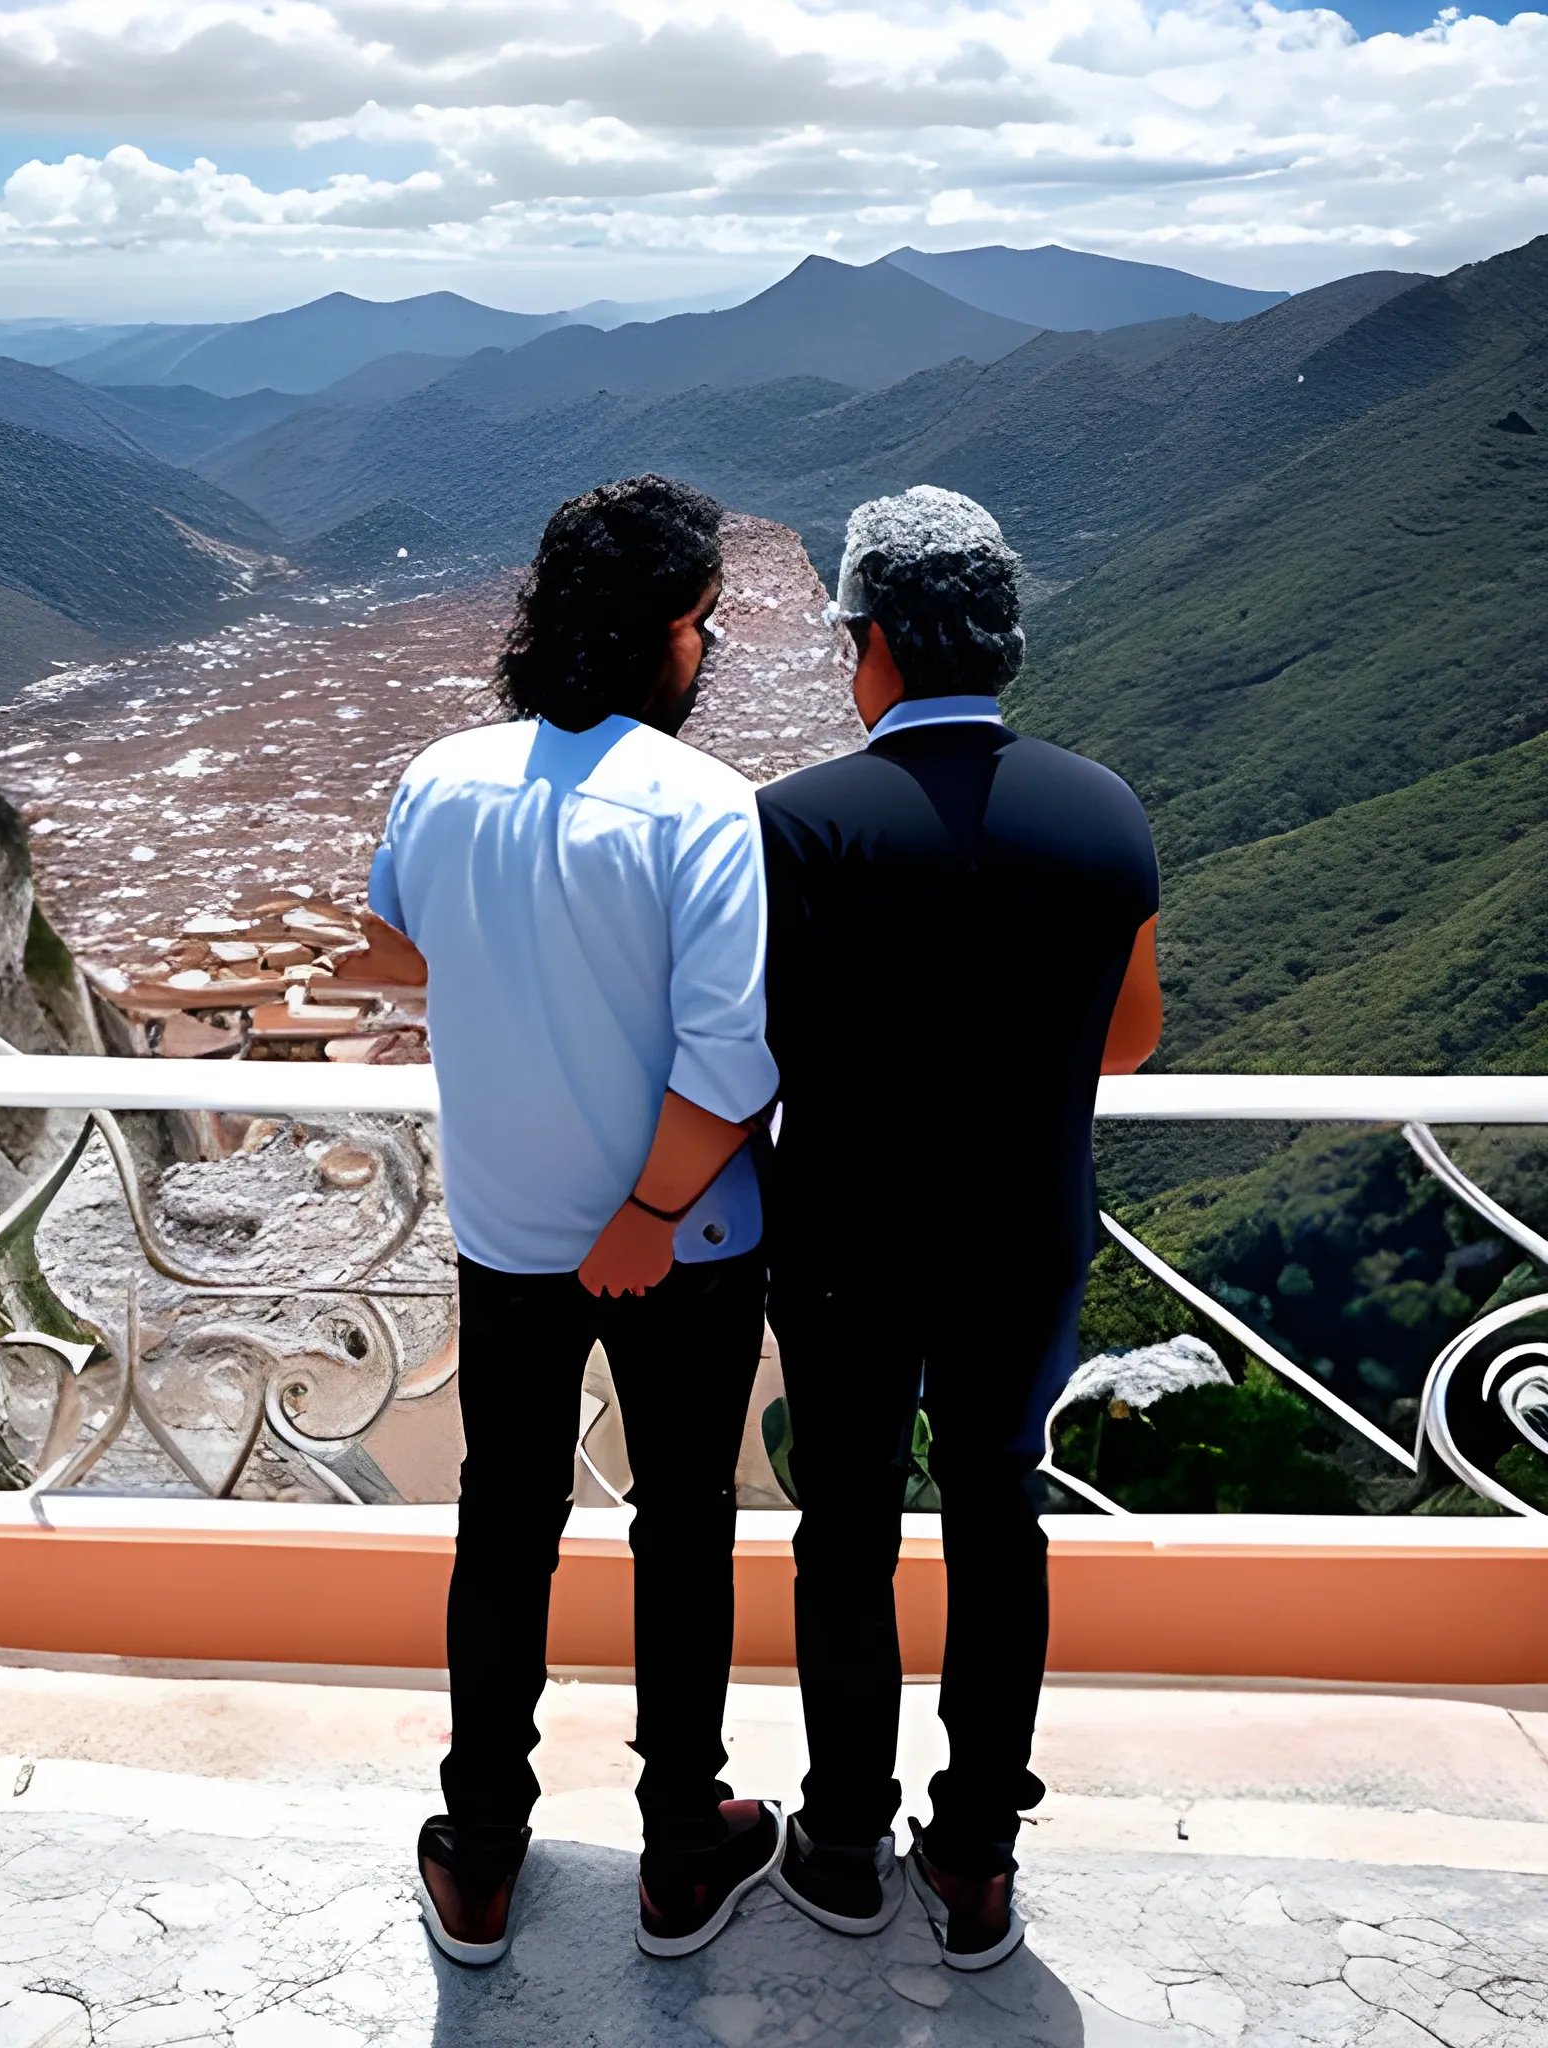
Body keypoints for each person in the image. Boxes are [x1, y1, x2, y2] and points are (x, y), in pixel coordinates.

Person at [360, 476, 785, 1966]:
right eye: (704, 620)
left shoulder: (441, 777)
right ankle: (682, 1848)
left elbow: (389, 938)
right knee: (684, 1530)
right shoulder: (706, 807)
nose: (708, 645)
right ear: (670, 632)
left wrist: (512, 976)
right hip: (688, 1244)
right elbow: (733, 1058)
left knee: (505, 1524)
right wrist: (653, 1209)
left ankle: (479, 1849)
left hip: (505, 1239)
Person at [757, 486, 1162, 1969]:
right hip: (1026, 1225)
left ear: (869, 646)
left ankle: (844, 1841)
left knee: (848, 1520)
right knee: (1000, 1510)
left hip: (849, 1235)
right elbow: (1129, 1039)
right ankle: (979, 1854)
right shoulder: (1103, 810)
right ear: (1004, 642)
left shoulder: (797, 824)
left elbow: (754, 1053)